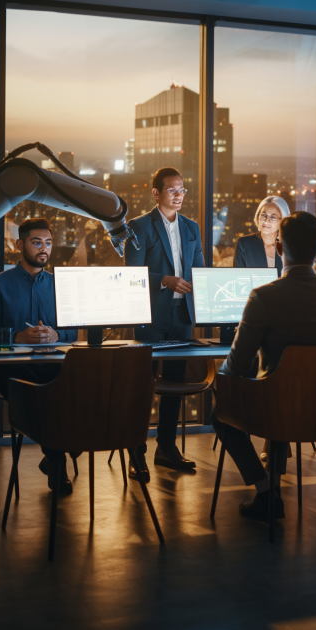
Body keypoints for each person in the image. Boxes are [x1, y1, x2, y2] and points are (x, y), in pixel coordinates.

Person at [210, 211, 316, 521]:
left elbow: (237, 365)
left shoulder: (263, 296)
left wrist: (222, 378)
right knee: (283, 387)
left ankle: (265, 490)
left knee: (219, 413)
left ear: (280, 249)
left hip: (276, 408)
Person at [0, 217, 78, 493]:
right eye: (36, 243)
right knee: (46, 389)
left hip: (52, 366)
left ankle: (58, 452)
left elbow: (75, 331)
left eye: (48, 243)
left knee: (76, 381)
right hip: (12, 370)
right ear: (20, 245)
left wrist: (58, 335)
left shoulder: (60, 285)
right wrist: (16, 337)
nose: (43, 249)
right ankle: (60, 455)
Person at [125, 167, 206, 479]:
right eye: (172, 190)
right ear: (156, 193)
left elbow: (198, 268)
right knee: (143, 386)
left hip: (182, 315)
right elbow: (132, 274)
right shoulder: (139, 226)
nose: (178, 195)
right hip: (151, 317)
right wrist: (165, 281)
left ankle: (167, 448)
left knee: (175, 385)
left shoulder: (192, 228)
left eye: (182, 190)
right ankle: (136, 451)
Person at [233, 195, 289, 275]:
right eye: (263, 215)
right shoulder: (244, 244)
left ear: (282, 221)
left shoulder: (288, 248)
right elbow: (238, 278)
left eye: (273, 217)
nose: (266, 221)